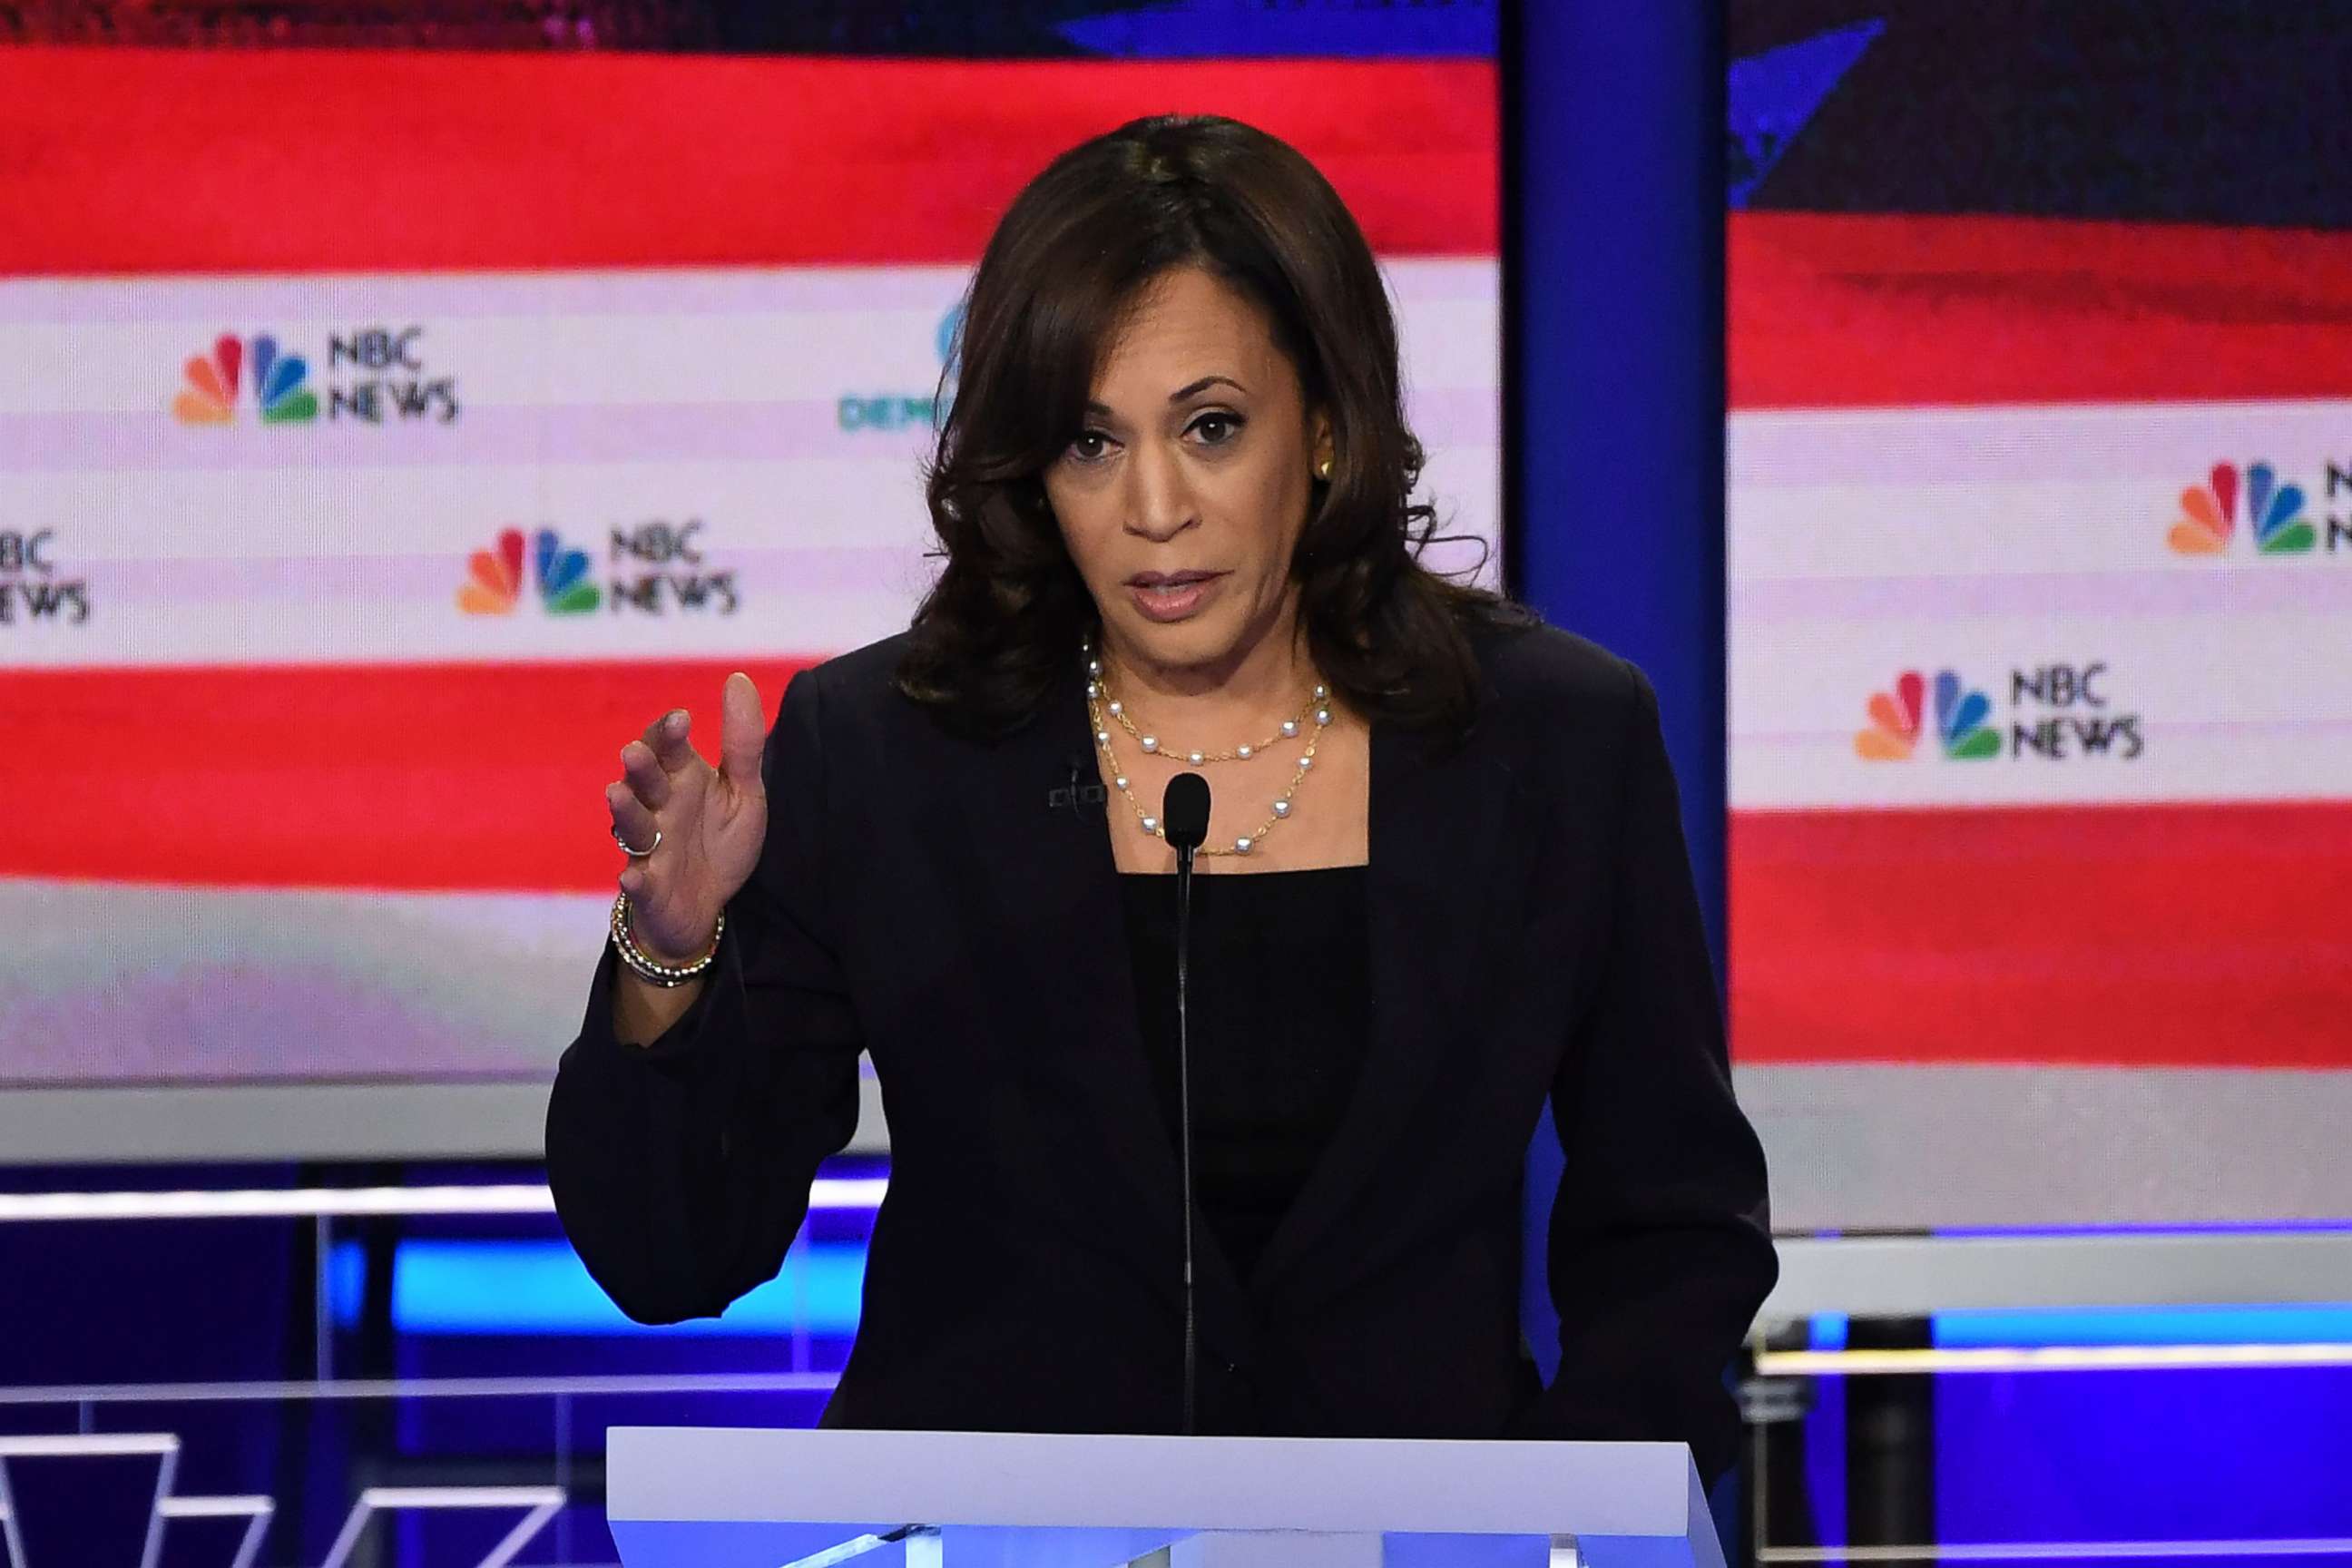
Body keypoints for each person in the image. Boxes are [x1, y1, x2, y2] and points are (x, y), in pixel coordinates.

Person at [545, 113, 1776, 1481]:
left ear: (1320, 428)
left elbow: (1673, 1231)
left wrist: (1564, 1512)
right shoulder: (889, 753)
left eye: (1210, 428)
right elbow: (672, 1254)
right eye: (1089, 442)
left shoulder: (1549, 744)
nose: (1154, 506)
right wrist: (672, 955)